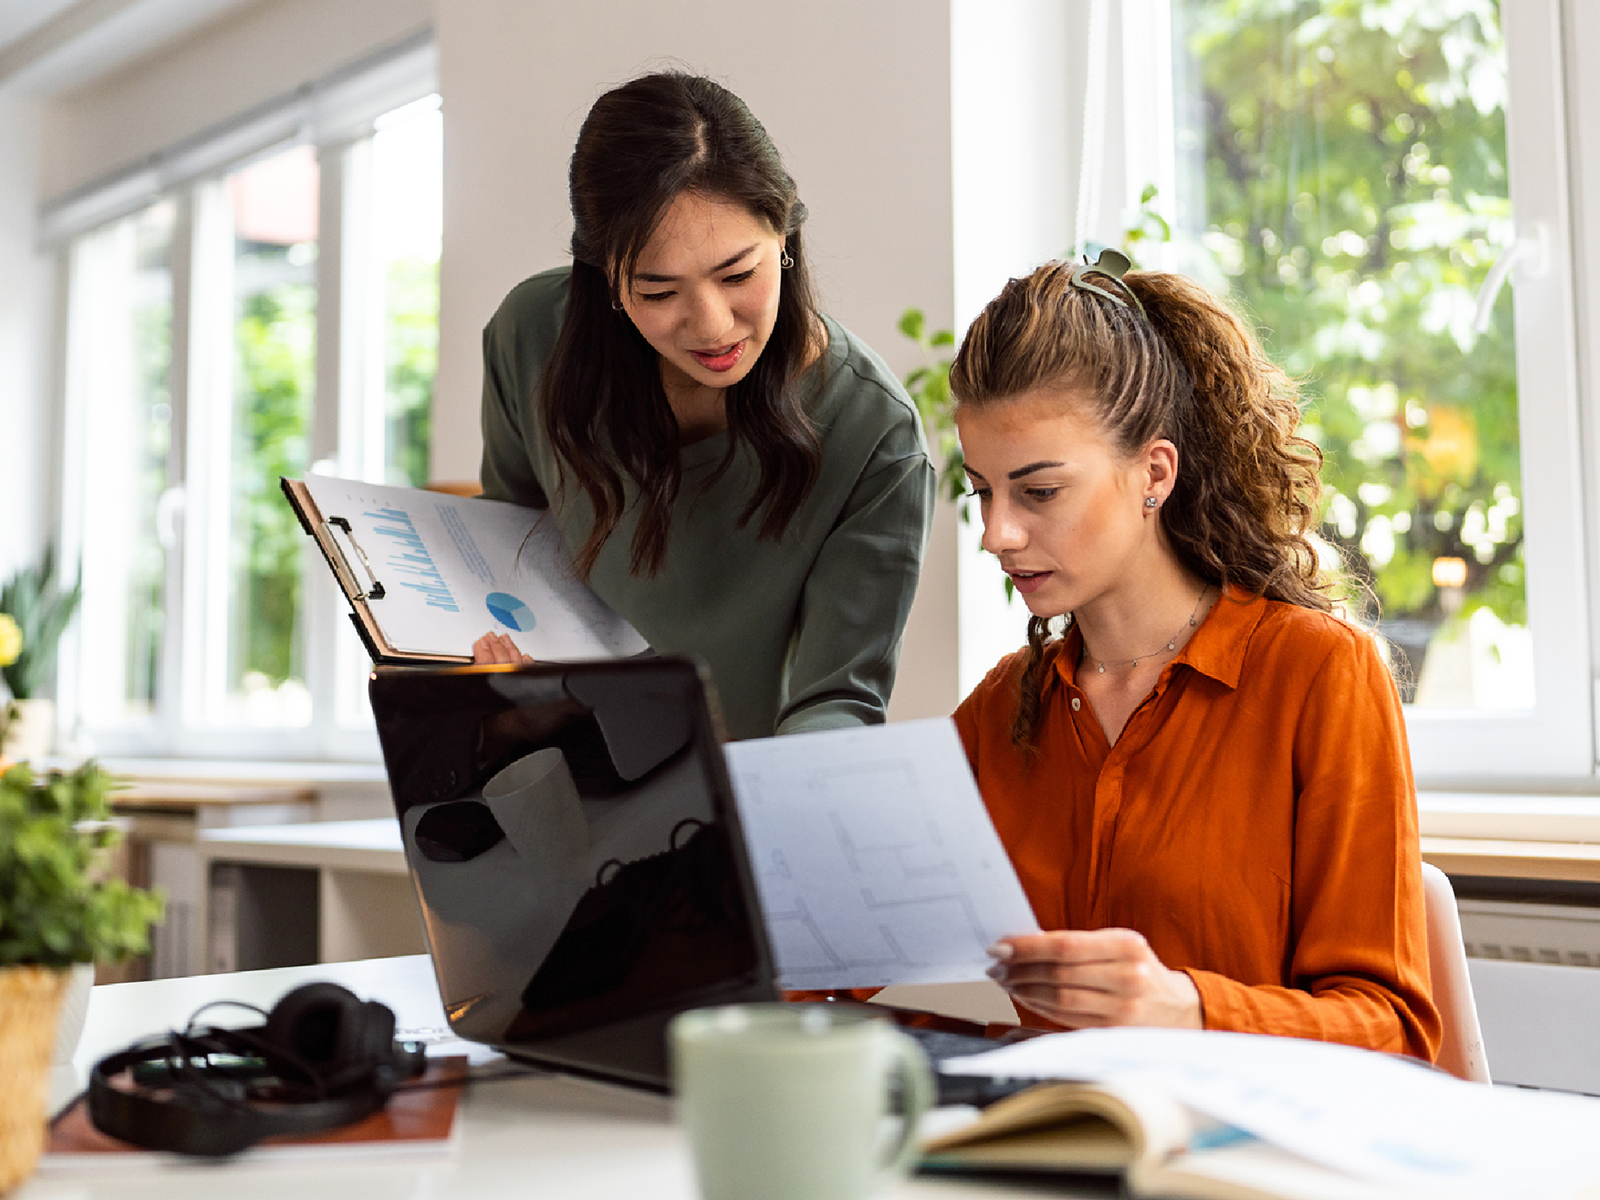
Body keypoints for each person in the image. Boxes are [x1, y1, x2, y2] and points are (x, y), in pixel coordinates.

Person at [951, 252, 1440, 1060]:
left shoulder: (1320, 675)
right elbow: (828, 953)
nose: (997, 533)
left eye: (1038, 493)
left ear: (1155, 472)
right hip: (1063, 1155)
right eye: (983, 491)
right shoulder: (1004, 709)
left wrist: (1185, 1007)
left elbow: (1394, 1029)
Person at [475, 73, 934, 739]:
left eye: (738, 275)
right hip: (556, 761)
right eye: (658, 292)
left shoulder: (876, 435)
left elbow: (839, 696)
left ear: (786, 234)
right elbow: (502, 546)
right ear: (605, 275)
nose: (712, 325)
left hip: (745, 796)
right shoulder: (530, 336)